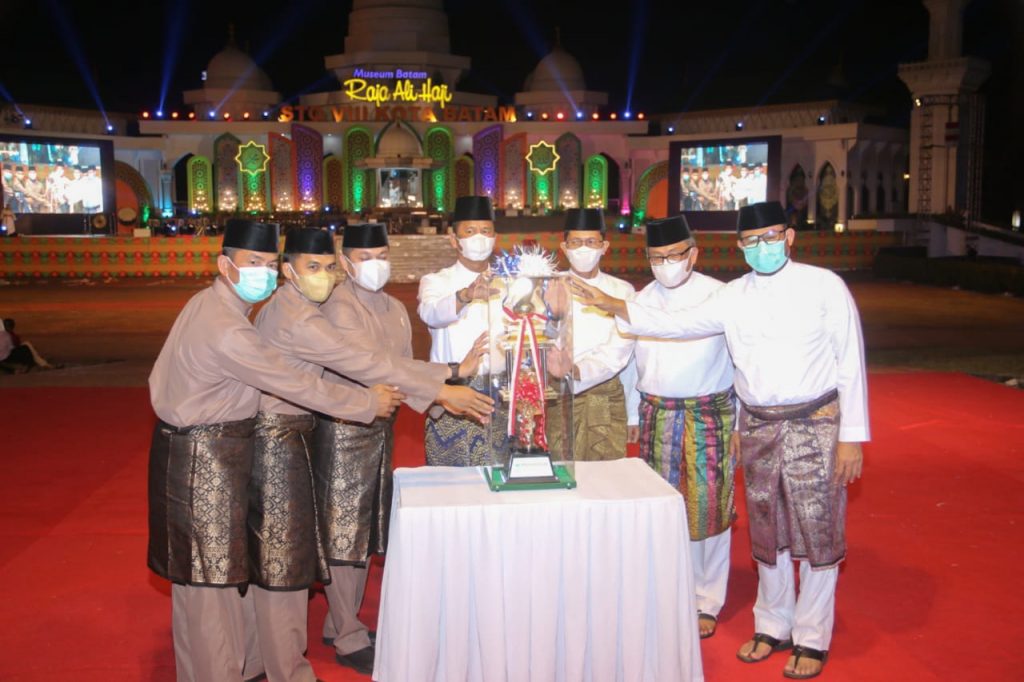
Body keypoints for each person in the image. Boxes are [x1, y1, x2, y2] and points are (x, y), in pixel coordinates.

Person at [571, 201, 869, 680]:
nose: (762, 247)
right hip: (757, 425)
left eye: (771, 237)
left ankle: (812, 635)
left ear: (789, 237)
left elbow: (850, 361)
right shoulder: (732, 296)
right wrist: (616, 306)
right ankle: (772, 624)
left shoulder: (824, 286)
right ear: (739, 247)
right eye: (751, 241)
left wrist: (852, 437)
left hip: (814, 422)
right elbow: (676, 324)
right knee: (766, 529)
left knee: (817, 529)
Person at [147, 219, 403, 682]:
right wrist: (366, 403)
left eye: (268, 264)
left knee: (209, 583)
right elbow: (292, 382)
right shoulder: (227, 328)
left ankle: (242, 669)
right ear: (225, 265)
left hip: (206, 451)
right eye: (253, 263)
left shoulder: (209, 304)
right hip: (205, 459)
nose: (262, 273)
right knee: (211, 591)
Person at [314, 222, 493, 674]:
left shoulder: (393, 306)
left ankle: (341, 621)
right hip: (343, 430)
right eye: (365, 257)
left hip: (379, 427)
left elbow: (403, 365)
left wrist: (451, 372)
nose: (375, 264)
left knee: (364, 531)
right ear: (346, 262)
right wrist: (445, 382)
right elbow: (373, 366)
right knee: (344, 532)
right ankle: (348, 635)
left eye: (381, 256)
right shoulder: (338, 305)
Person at [623, 215, 737, 639]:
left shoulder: (719, 296)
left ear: (693, 254)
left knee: (709, 507)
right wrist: (632, 414)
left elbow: (741, 362)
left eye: (673, 255)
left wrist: (740, 424)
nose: (666, 264)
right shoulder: (640, 301)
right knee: (663, 506)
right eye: (657, 258)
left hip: (709, 414)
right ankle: (669, 591)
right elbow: (631, 364)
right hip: (656, 415)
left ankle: (707, 599)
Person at [418, 195, 506, 466]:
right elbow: (431, 314)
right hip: (453, 396)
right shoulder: (436, 281)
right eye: (470, 231)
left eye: (486, 231)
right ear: (453, 239)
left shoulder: (509, 282)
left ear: (495, 238)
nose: (479, 237)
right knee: (451, 481)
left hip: (500, 393)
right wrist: (465, 296)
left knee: (498, 477)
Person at [551, 207, 636, 460]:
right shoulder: (548, 285)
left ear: (604, 246)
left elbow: (623, 353)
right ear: (564, 247)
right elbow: (537, 338)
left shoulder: (621, 291)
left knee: (606, 476)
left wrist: (633, 413)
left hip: (606, 398)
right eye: (576, 242)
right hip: (558, 395)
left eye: (591, 242)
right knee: (562, 470)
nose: (583, 249)